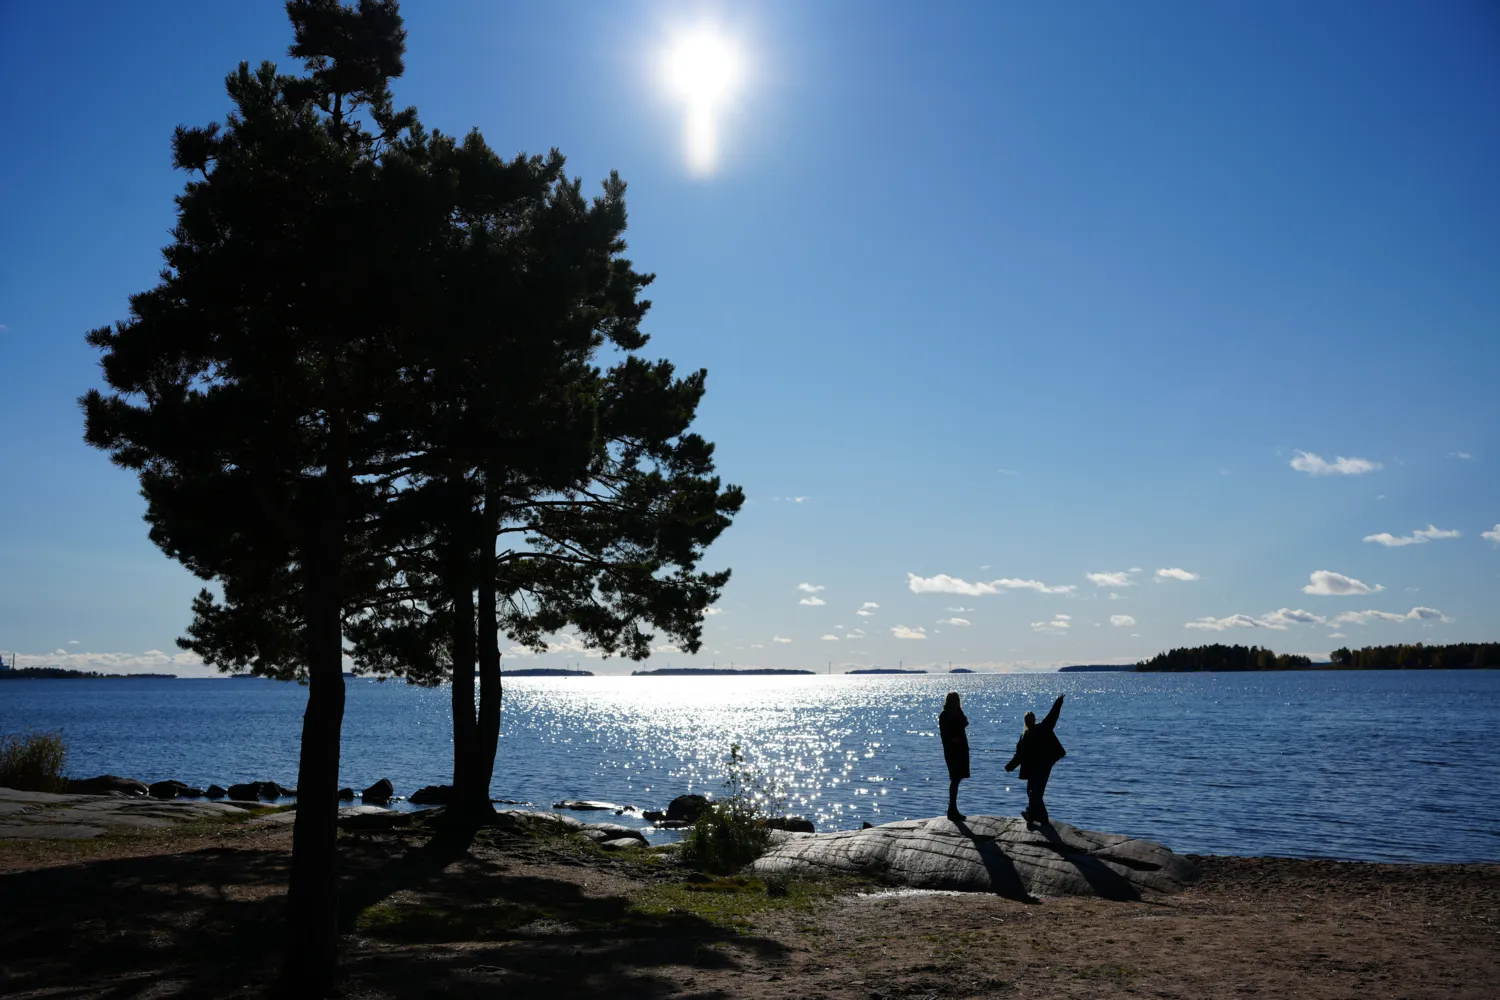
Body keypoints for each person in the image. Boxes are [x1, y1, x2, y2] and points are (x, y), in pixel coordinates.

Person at [1004, 694, 1066, 825]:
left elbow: (1052, 717)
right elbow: (1019, 755)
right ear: (1025, 722)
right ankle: (1042, 819)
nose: (1029, 722)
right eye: (1027, 720)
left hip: (1043, 766)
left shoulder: (1042, 728)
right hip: (1032, 769)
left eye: (1031, 719)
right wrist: (1010, 766)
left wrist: (1058, 703)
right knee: (1032, 792)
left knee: (1035, 793)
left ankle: (1031, 814)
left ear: (1034, 720)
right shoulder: (1023, 737)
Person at [938, 691, 970, 820]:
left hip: (961, 749)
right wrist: (954, 740)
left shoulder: (957, 713)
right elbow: (945, 734)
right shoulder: (944, 715)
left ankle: (953, 808)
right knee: (955, 779)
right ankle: (952, 809)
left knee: (957, 779)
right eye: (955, 700)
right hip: (952, 751)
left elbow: (965, 723)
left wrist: (960, 711)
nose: (957, 702)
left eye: (958, 700)